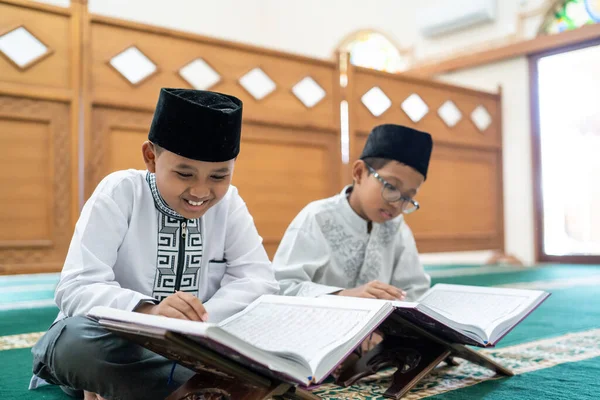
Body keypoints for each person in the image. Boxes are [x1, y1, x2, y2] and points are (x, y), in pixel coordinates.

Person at [30, 88, 279, 400]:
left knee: (275, 333)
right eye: (185, 173)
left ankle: (180, 386)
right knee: (73, 344)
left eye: (218, 176)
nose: (200, 192)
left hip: (198, 346)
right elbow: (76, 286)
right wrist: (150, 311)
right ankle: (208, 387)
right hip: (118, 341)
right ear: (151, 157)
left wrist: (200, 322)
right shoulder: (120, 192)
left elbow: (258, 280)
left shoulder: (230, 204)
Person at [273, 124, 432, 302]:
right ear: (359, 173)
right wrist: (344, 296)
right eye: (391, 187)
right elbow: (284, 287)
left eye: (407, 197)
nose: (397, 204)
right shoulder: (318, 218)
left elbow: (416, 291)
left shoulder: (397, 228)